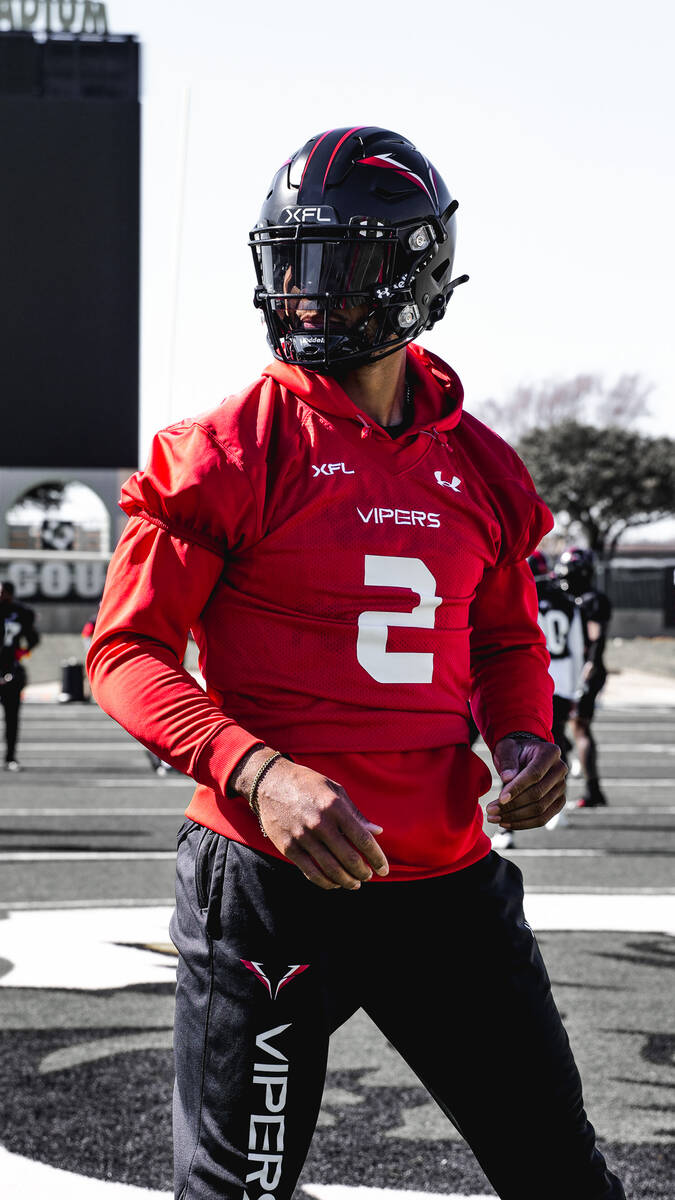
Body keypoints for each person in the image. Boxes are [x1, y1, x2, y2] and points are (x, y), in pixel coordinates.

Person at [87, 127, 624, 1200]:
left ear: (417, 271)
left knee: (561, 1177)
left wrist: (527, 737)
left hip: (448, 885)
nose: (306, 294)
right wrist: (258, 770)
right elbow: (126, 651)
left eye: (340, 265)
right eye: (290, 263)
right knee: (240, 1196)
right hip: (269, 885)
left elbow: (507, 637)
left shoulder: (481, 466)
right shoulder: (233, 446)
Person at [492, 549, 585, 848]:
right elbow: (576, 648)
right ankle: (557, 807)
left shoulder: (516, 599)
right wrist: (573, 691)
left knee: (510, 757)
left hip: (525, 681)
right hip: (557, 683)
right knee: (552, 751)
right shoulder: (568, 604)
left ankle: (506, 829)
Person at [555, 546, 612, 807]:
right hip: (576, 671)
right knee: (567, 727)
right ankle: (592, 788)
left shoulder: (591, 600)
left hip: (584, 671)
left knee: (580, 728)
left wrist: (589, 667)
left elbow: (595, 639)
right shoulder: (572, 599)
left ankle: (593, 789)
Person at [0, 579, 40, 771]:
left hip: (10, 671)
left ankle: (10, 757)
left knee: (12, 718)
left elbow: (33, 638)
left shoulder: (21, 612)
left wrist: (22, 652)